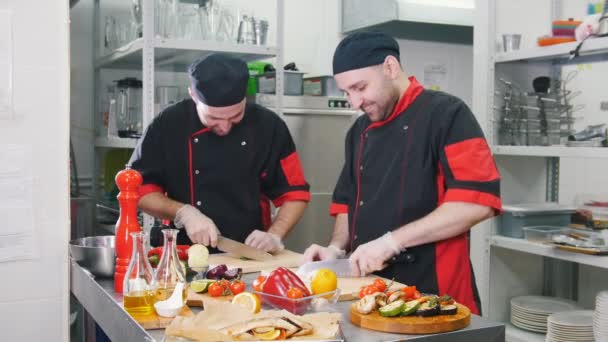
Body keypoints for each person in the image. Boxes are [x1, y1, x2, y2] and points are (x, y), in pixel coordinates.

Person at [303, 32, 502, 314]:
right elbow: (348, 201)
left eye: (360, 87)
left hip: (436, 296)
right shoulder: (358, 131)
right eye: (346, 92)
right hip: (372, 292)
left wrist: (391, 243)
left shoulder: (448, 114)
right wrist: (335, 248)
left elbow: (477, 202)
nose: (354, 102)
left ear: (390, 67)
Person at [130, 53, 310, 252]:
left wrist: (275, 235)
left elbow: (295, 193)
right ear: (193, 96)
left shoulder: (269, 126)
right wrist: (183, 213)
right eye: (213, 118)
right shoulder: (167, 124)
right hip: (181, 254)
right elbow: (138, 190)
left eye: (235, 116)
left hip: (249, 253)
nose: (224, 127)